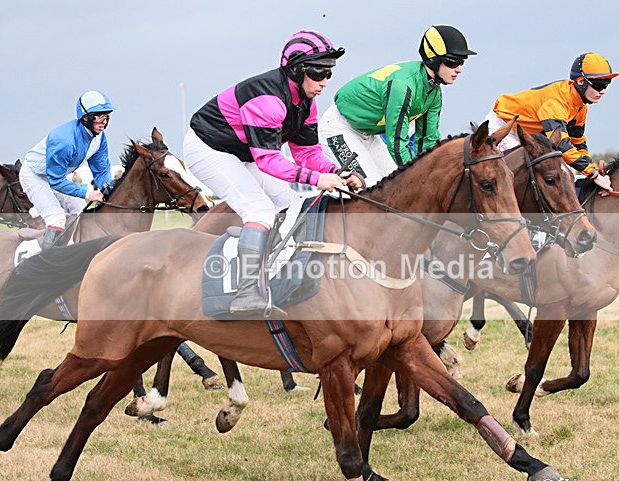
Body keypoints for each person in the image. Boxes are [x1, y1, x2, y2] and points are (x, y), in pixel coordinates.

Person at [183, 29, 362, 316]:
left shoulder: (307, 103)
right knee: (260, 210)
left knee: (293, 204)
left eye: (329, 73)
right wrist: (317, 179)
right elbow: (268, 160)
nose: (325, 81)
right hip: (209, 148)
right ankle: (245, 293)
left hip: (243, 151)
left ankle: (274, 275)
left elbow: (306, 153)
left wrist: (336, 172)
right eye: (318, 72)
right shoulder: (268, 100)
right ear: (296, 70)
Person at [319, 25, 476, 186]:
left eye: (462, 62)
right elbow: (397, 142)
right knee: (371, 190)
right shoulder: (402, 86)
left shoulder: (434, 93)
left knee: (394, 187)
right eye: (453, 62)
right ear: (433, 59)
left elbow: (426, 142)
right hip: (339, 128)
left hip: (368, 134)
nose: (459, 69)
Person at [484, 52, 617, 193]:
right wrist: (593, 174)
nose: (602, 91)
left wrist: (592, 170)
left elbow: (578, 143)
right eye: (598, 84)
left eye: (606, 85)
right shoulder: (557, 102)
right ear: (580, 81)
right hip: (504, 128)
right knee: (516, 174)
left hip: (528, 135)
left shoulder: (580, 107)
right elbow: (562, 145)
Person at [19, 91, 115, 249]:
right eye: (99, 116)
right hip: (35, 176)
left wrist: (110, 191)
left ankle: (73, 250)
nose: (104, 121)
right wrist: (88, 194)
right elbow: (55, 181)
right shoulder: (64, 140)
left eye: (106, 116)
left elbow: (101, 171)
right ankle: (45, 263)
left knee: (79, 210)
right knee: (56, 218)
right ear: (85, 117)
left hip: (58, 176)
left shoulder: (99, 138)